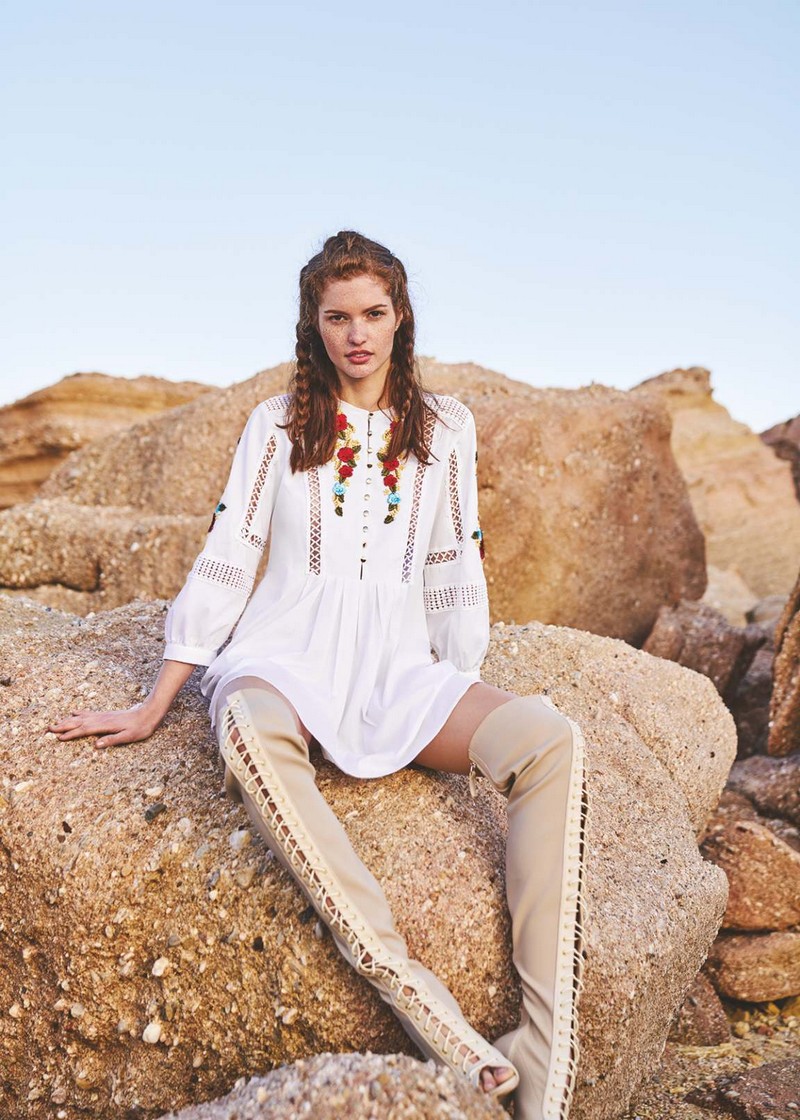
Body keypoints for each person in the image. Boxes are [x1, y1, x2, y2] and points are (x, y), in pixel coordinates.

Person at [48, 230, 588, 1120]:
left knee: (549, 740)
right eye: (337, 317)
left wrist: (456, 688)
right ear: (314, 324)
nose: (357, 334)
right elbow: (231, 553)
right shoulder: (276, 424)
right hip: (284, 658)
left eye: (373, 313)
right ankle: (431, 1014)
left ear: (400, 316)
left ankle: (543, 1048)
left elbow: (453, 562)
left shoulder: (446, 427)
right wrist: (156, 702)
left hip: (398, 670)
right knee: (247, 728)